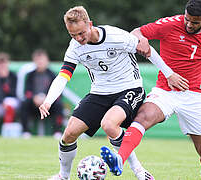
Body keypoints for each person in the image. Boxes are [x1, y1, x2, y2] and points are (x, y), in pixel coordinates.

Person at [38, 6, 188, 180]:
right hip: (99, 93)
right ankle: (63, 176)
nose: (79, 39)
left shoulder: (116, 36)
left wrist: (169, 74)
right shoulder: (74, 48)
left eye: (81, 33)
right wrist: (48, 101)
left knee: (109, 125)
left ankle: (140, 172)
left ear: (90, 24)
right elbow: (63, 76)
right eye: (73, 35)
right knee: (69, 134)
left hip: (129, 88)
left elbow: (147, 50)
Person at [100, 0, 201, 179]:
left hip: (194, 96)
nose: (189, 25)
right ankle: (119, 160)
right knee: (143, 117)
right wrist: (142, 40)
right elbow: (136, 32)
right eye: (187, 19)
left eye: (195, 22)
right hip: (165, 91)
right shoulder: (169, 25)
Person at [20, 49, 64, 139]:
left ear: (47, 61)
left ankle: (57, 132)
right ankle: (25, 132)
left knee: (59, 105)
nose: (40, 63)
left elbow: (58, 92)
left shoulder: (52, 75)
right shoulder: (30, 75)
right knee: (24, 104)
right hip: (34, 105)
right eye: (38, 60)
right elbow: (27, 92)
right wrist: (34, 98)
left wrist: (47, 100)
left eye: (42, 60)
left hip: (48, 105)